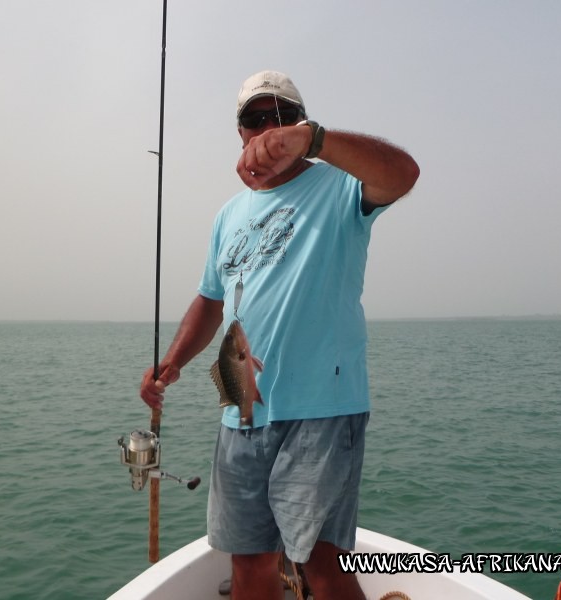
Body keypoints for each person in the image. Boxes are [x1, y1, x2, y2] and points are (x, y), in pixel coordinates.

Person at [140, 70, 419, 600]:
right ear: (240, 133)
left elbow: (404, 173)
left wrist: (316, 141)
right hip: (241, 409)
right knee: (248, 561)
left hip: (321, 409)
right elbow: (210, 298)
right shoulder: (229, 215)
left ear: (302, 123)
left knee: (320, 561)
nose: (271, 128)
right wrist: (172, 362)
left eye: (284, 116)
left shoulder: (340, 185)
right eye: (256, 119)